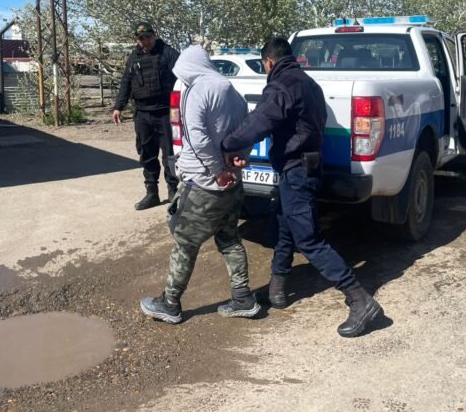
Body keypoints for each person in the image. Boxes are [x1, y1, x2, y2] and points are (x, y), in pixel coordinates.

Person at [221, 37, 383, 338]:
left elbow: (260, 120)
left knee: (309, 240)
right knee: (282, 227)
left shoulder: (282, 85)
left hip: (296, 169)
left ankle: (360, 300)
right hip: (304, 166)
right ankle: (277, 290)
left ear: (268, 62)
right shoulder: (309, 83)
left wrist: (228, 143)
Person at [139, 45, 260, 324]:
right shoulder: (232, 91)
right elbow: (248, 130)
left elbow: (197, 138)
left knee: (185, 242)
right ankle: (243, 298)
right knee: (230, 239)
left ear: (188, 67)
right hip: (232, 181)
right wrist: (240, 159)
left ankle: (170, 304)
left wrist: (216, 171)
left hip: (207, 182)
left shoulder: (197, 90)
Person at [112, 22, 180, 211]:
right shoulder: (134, 56)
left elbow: (184, 75)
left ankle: (173, 191)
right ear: (137, 39)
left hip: (165, 111)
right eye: (141, 38)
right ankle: (152, 193)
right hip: (142, 113)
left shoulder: (168, 53)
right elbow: (126, 81)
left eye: (148, 36)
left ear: (154, 35)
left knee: (170, 155)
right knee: (147, 153)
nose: (146, 41)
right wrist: (119, 106)